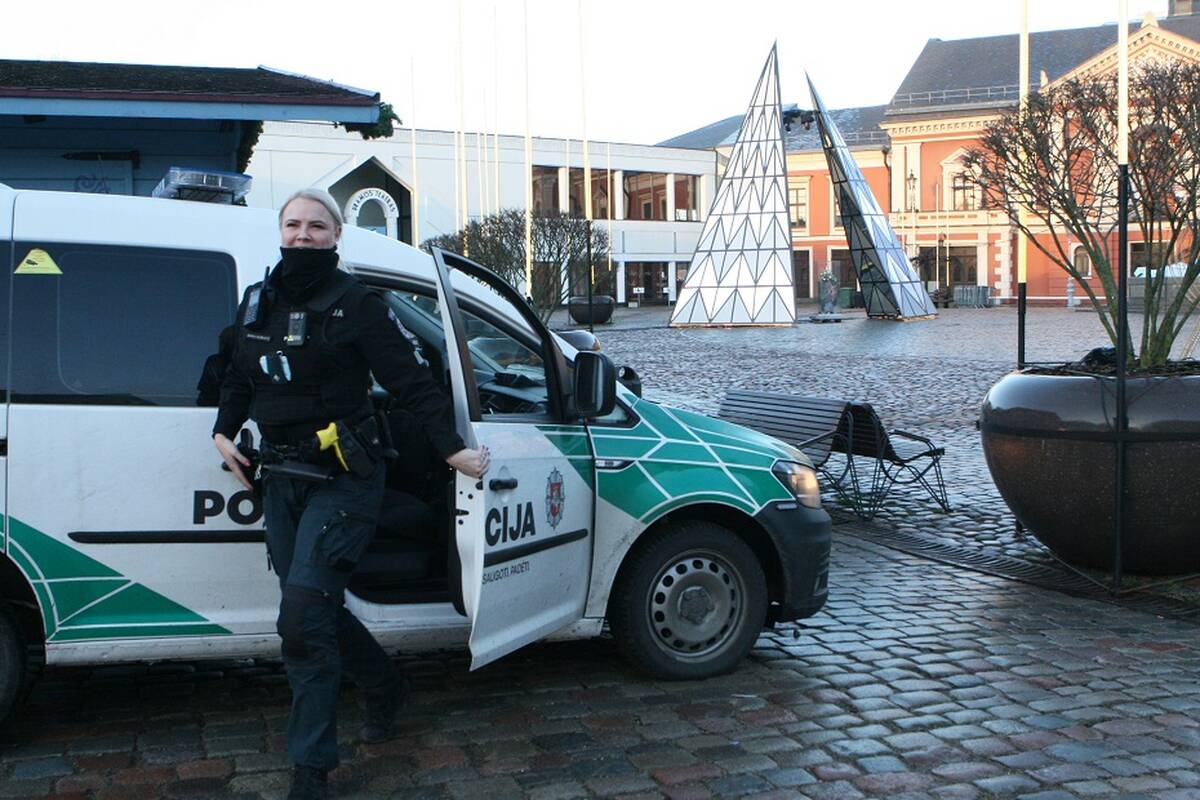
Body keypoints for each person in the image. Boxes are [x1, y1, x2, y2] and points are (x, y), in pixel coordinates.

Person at [213, 188, 489, 800]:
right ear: (280, 231)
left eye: (316, 226)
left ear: (336, 235)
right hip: (281, 479)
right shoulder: (257, 301)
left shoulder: (358, 304)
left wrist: (452, 450)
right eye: (293, 224)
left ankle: (310, 772)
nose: (303, 235)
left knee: (301, 622)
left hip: (345, 478)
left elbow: (412, 383)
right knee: (313, 608)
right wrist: (223, 430)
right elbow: (237, 376)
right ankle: (386, 686)